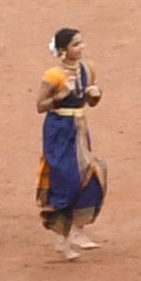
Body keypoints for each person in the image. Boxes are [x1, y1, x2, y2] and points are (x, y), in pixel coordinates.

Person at [37, 27, 110, 260]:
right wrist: (59, 96)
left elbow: (90, 102)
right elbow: (40, 105)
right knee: (66, 181)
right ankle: (63, 240)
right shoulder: (53, 75)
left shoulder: (87, 69)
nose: (81, 48)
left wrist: (95, 95)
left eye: (81, 43)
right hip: (59, 131)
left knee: (90, 175)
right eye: (75, 44)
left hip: (79, 129)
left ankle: (78, 230)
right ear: (62, 50)